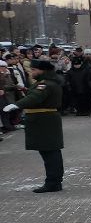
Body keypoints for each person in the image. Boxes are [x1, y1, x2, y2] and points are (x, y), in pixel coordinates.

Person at [2, 59, 64, 192]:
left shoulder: (44, 84)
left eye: (34, 70)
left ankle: (53, 182)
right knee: (49, 151)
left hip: (44, 121)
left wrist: (17, 105)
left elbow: (35, 97)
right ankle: (54, 181)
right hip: (44, 120)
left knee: (50, 152)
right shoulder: (45, 83)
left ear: (43, 71)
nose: (32, 72)